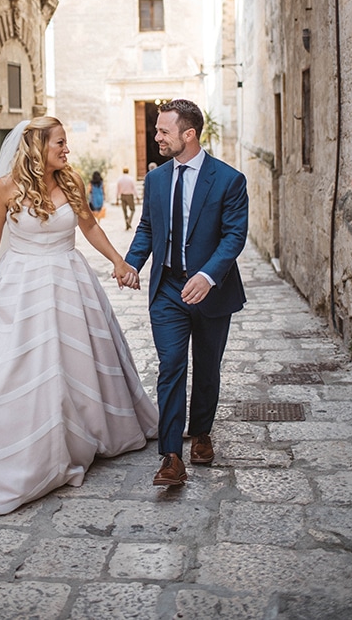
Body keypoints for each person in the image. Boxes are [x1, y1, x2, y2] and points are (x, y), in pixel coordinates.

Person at [0, 117, 158, 514]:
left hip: (70, 280)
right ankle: (25, 446)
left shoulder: (72, 181)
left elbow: (88, 227)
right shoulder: (6, 188)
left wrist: (119, 262)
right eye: (60, 144)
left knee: (78, 361)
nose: (66, 150)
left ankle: (84, 430)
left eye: (66, 143)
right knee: (24, 364)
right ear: (37, 147)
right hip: (22, 283)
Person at [125, 99, 248, 488]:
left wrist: (209, 276)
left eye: (163, 131)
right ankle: (171, 455)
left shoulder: (229, 180)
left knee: (207, 366)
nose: (156, 137)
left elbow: (233, 237)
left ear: (188, 134)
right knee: (172, 365)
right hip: (167, 289)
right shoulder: (157, 179)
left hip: (211, 291)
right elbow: (147, 227)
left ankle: (202, 432)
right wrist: (131, 263)